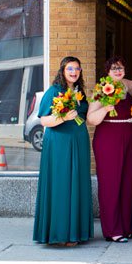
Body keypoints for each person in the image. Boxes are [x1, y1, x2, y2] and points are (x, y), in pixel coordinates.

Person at [86, 48, 132, 242]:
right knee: (111, 184)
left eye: (120, 68)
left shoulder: (126, 85)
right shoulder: (101, 89)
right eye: (114, 68)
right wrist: (106, 108)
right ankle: (112, 230)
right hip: (108, 138)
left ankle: (126, 227)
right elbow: (91, 119)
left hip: (129, 136)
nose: (117, 71)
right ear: (107, 71)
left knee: (127, 182)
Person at [32, 57, 92, 246]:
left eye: (77, 69)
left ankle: (77, 232)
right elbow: (44, 120)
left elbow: (84, 116)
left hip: (79, 141)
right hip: (59, 143)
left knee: (78, 183)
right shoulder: (54, 91)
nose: (74, 72)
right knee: (62, 183)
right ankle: (61, 233)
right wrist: (63, 117)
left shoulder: (79, 92)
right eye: (70, 68)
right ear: (63, 71)